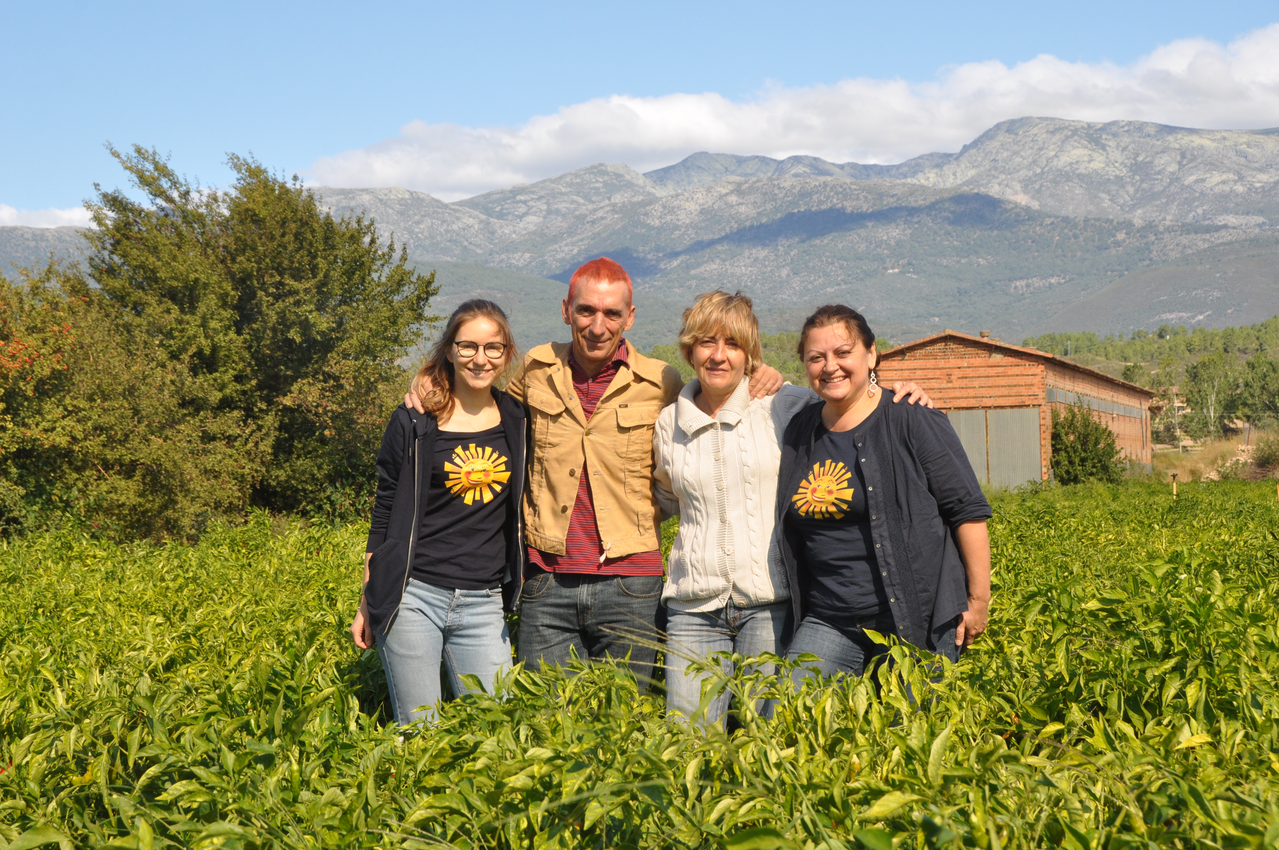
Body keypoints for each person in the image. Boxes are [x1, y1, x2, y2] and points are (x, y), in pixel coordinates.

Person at [409, 259, 784, 687]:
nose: (598, 326)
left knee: (624, 716)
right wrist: (434, 378)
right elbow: (483, 407)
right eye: (586, 310)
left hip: (632, 585)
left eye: (611, 313)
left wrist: (759, 373)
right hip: (547, 579)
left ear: (630, 317)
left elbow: (714, 396)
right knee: (546, 715)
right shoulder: (536, 368)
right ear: (566, 310)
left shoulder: (660, 381)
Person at [653, 292, 934, 725]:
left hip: (770, 605)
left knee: (768, 735)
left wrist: (895, 390)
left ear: (751, 353)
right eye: (707, 342)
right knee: (689, 735)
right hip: (693, 608)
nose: (719, 355)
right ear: (690, 351)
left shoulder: (784, 405)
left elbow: (848, 397)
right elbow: (666, 499)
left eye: (734, 344)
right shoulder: (668, 423)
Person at [777, 304, 991, 684]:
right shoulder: (799, 430)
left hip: (914, 617)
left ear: (872, 354)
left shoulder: (910, 416)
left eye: (843, 352)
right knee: (784, 709)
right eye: (816, 357)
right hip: (829, 618)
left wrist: (978, 601)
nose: (830, 366)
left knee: (909, 719)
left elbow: (967, 511)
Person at [351, 299, 526, 725]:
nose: (480, 359)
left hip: (484, 601)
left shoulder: (517, 419)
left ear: (506, 354)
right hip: (413, 595)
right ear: (449, 350)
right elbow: (384, 511)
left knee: (495, 728)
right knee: (420, 729)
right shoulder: (414, 421)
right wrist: (369, 598)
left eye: (493, 348)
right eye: (468, 346)